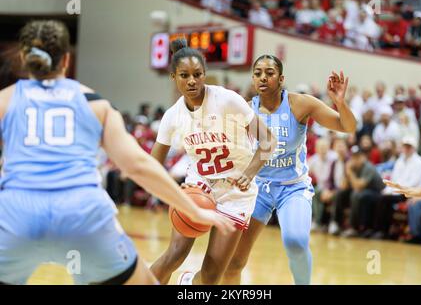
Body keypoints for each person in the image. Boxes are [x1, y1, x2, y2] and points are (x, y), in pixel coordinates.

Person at [0, 20, 234, 285]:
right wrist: (192, 209)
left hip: (16, 216)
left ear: (24, 57)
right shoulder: (94, 103)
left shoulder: (5, 100)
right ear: (66, 59)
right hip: (82, 215)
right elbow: (136, 165)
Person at [149, 39, 277, 285]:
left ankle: (187, 283)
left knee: (210, 278)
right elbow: (152, 166)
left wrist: (249, 174)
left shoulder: (227, 100)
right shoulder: (172, 116)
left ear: (205, 74)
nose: (192, 81)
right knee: (173, 256)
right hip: (199, 186)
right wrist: (176, 194)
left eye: (197, 74)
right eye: (184, 75)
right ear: (173, 76)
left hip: (235, 192)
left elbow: (268, 141)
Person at [223, 55, 357, 285]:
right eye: (257, 73)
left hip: (292, 187)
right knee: (233, 262)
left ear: (281, 78)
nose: (263, 77)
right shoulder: (245, 109)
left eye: (269, 72)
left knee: (295, 241)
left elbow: (348, 126)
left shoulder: (300, 104)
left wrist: (340, 103)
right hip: (257, 189)